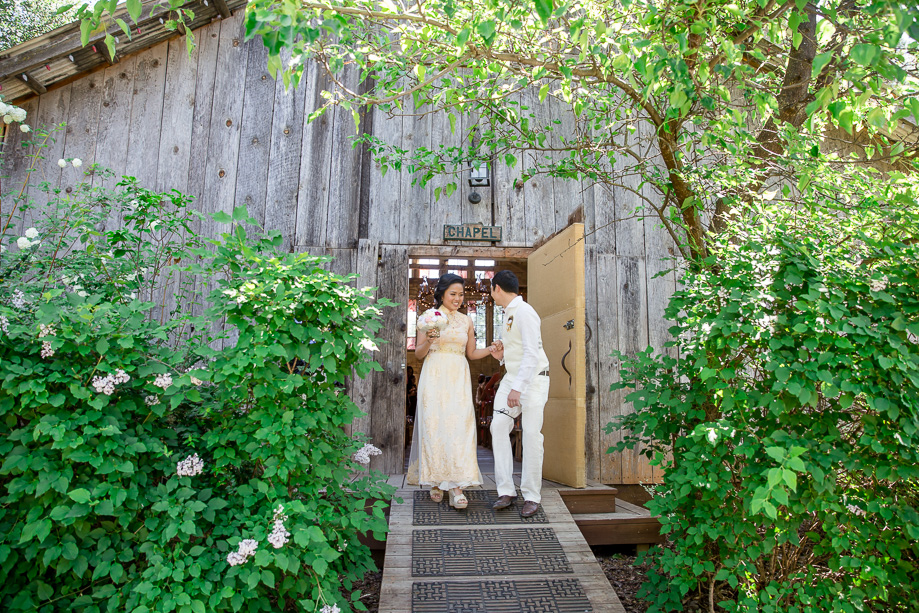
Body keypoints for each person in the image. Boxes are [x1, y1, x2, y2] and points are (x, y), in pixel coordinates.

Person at [407, 273, 500, 509]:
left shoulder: (466, 321)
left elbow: (471, 353)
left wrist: (490, 349)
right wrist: (429, 339)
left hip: (458, 374)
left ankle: (457, 485)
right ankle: (436, 481)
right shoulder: (428, 317)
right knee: (435, 425)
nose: (458, 299)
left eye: (461, 294)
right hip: (434, 373)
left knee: (460, 426)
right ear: (442, 294)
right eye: (453, 294)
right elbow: (418, 353)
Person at [489, 270, 550, 518]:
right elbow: (517, 351)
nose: (491, 295)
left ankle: (531, 495)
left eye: (491, 290)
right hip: (512, 377)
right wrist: (501, 357)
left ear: (498, 289)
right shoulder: (509, 313)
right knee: (499, 426)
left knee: (532, 435)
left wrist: (518, 388)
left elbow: (532, 354)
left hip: (533, 381)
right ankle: (506, 490)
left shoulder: (525, 312)